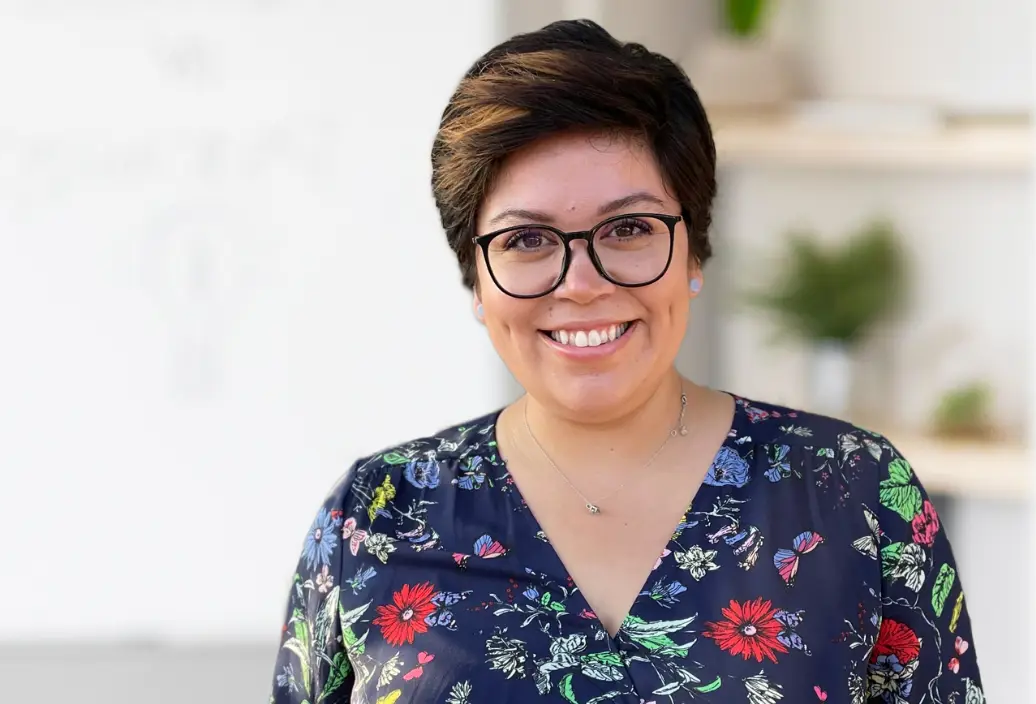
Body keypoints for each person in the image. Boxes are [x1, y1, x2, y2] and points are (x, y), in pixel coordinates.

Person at [268, 20, 982, 704]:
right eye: (527, 241)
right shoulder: (376, 518)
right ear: (476, 281)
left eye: (631, 228)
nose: (582, 283)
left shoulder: (855, 496)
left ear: (695, 252)